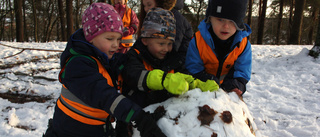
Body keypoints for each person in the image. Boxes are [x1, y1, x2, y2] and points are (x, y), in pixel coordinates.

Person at [42, 3, 166, 137]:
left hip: (98, 128)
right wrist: (139, 118)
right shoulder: (78, 65)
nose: (116, 45)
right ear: (91, 37)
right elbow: (106, 97)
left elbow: (129, 73)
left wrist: (156, 92)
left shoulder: (107, 60)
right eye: (109, 38)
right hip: (70, 131)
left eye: (118, 39)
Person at [115, 7, 219, 137]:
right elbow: (135, 75)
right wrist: (164, 80)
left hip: (161, 123)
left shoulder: (172, 58)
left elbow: (184, 76)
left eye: (170, 43)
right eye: (161, 43)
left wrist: (198, 84)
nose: (166, 48)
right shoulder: (133, 57)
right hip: (131, 123)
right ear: (145, 40)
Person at [185, 0, 252, 96]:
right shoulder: (198, 41)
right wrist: (207, 79)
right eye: (220, 19)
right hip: (202, 89)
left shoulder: (243, 44)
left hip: (228, 92)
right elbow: (192, 68)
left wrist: (237, 84)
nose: (226, 26)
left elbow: (243, 70)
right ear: (210, 19)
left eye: (232, 21)